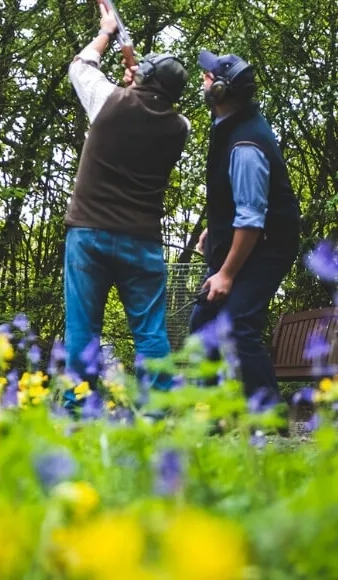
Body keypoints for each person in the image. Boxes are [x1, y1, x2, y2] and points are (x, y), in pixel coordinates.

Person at [63, 3, 190, 407]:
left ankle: (78, 412)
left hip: (89, 235)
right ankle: (159, 414)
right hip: (143, 242)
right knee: (151, 334)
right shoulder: (180, 129)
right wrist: (138, 82)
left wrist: (105, 32)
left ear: (143, 78)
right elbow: (157, 107)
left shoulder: (106, 100)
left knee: (83, 331)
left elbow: (81, 66)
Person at [189, 50, 301, 401]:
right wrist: (217, 227)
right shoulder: (229, 126)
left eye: (207, 77)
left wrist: (226, 273)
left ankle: (272, 425)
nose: (202, 80)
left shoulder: (246, 145)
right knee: (203, 326)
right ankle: (212, 420)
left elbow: (252, 219)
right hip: (248, 237)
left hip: (267, 247)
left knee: (238, 327)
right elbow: (235, 200)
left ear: (221, 90)